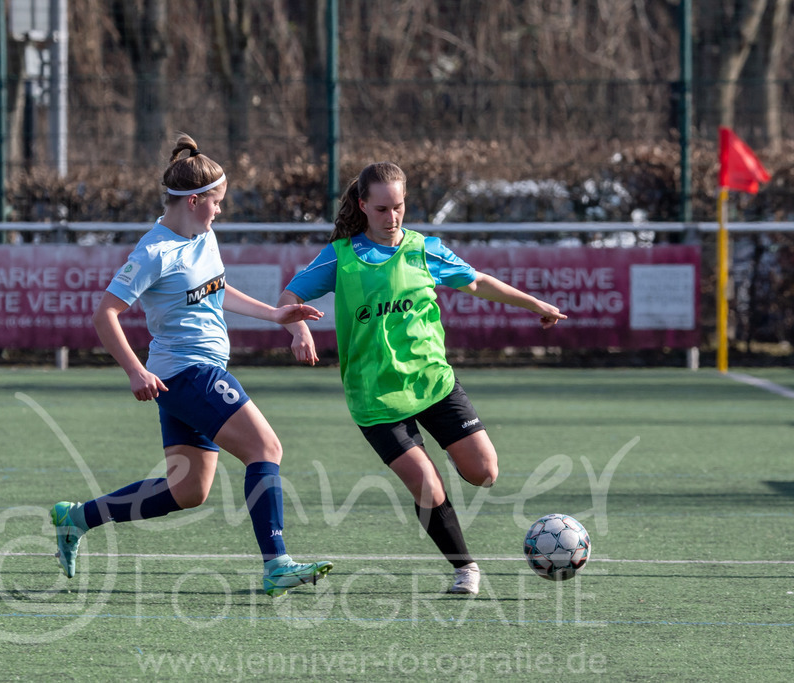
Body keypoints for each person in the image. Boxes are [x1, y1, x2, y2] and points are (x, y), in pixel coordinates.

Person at [51, 134, 333, 598]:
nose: (220, 210)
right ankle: (277, 563)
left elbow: (218, 291)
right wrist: (134, 370)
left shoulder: (204, 235)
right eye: (217, 202)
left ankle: (77, 517)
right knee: (266, 449)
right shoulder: (153, 253)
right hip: (188, 372)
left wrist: (276, 314)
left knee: (189, 491)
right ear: (195, 200)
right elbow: (105, 314)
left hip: (186, 377)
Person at [277, 161, 566, 595]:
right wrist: (298, 328)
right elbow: (289, 296)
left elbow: (478, 282)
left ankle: (445, 451)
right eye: (381, 209)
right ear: (362, 206)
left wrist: (535, 305)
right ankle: (464, 568)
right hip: (375, 397)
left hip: (433, 385)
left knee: (485, 473)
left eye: (399, 207)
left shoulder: (423, 249)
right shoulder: (340, 256)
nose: (391, 218)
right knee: (426, 484)